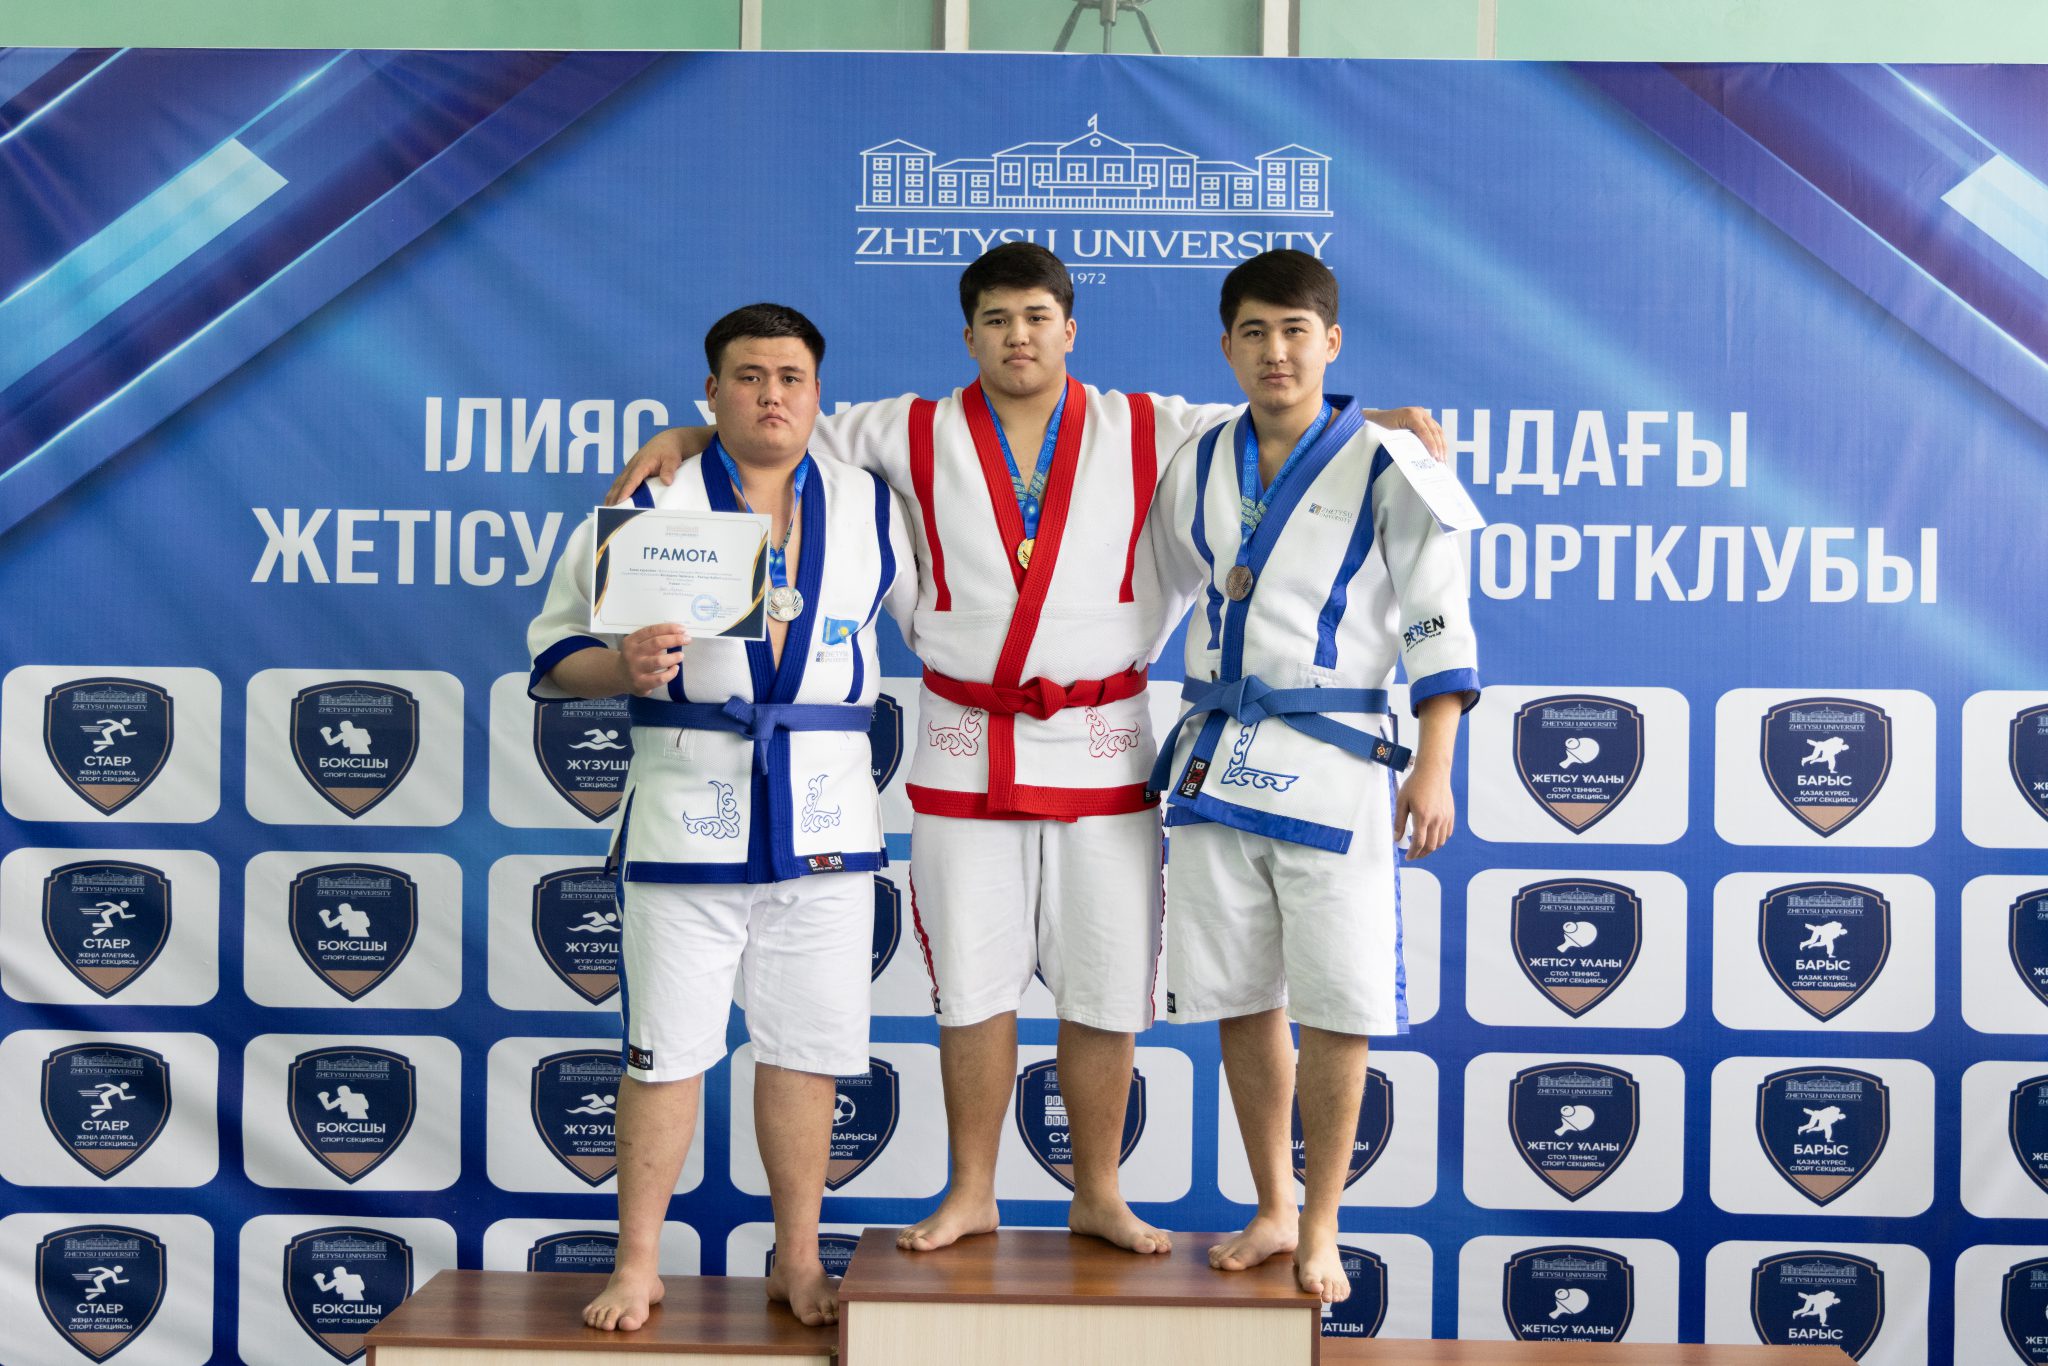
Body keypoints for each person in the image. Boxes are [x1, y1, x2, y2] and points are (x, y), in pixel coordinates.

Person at [609, 244, 1446, 1259]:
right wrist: (686, 432)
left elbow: (1282, 421)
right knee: (971, 984)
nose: (1019, 336)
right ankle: (973, 1189)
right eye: (998, 319)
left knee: (1104, 984)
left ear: (1069, 329)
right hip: (967, 740)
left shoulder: (1149, 425)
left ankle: (1098, 1190)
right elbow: (774, 423)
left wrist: (1377, 424)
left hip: (1103, 742)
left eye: (1038, 317)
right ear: (969, 334)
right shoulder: (906, 428)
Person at [527, 303, 916, 1330]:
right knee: (664, 1049)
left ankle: (800, 1261)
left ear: (818, 394)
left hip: (824, 819)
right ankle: (637, 1264)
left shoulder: (871, 503)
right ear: (711, 392)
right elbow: (553, 653)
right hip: (686, 812)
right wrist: (621, 665)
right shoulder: (652, 500)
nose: (770, 395)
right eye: (747, 378)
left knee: (808, 1050)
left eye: (790, 378)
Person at [1146, 249, 1479, 1304]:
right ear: (1226, 346)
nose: (1275, 352)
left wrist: (1434, 766)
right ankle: (1272, 1207)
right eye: (1254, 332)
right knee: (1239, 997)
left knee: (1339, 1001)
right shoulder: (1198, 456)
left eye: (1295, 331)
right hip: (1217, 758)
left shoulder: (1392, 462)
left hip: (1337, 763)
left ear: (1330, 341)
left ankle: (1323, 1221)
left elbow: (1436, 618)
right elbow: (1163, 582)